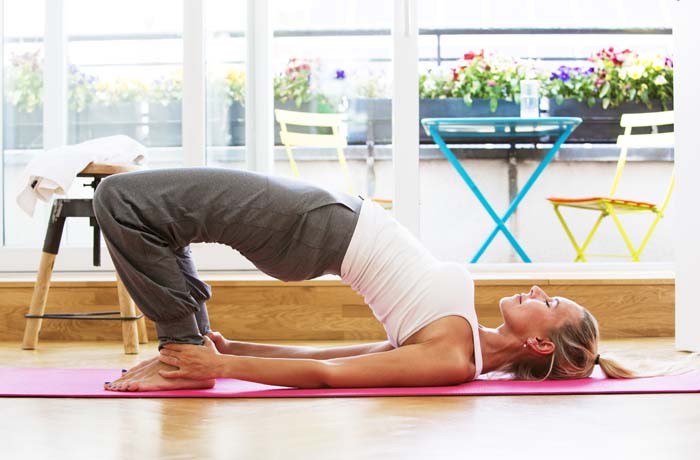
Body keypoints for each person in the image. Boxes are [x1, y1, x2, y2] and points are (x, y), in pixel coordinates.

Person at [93, 167, 631, 392]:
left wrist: (227, 366)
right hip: (320, 224)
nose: (536, 289)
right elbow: (333, 356)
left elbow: (331, 377)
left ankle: (184, 356)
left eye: (550, 300)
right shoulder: (466, 344)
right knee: (152, 214)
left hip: (313, 226)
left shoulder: (452, 359)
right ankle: (181, 354)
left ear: (539, 341)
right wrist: (233, 347)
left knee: (121, 198)